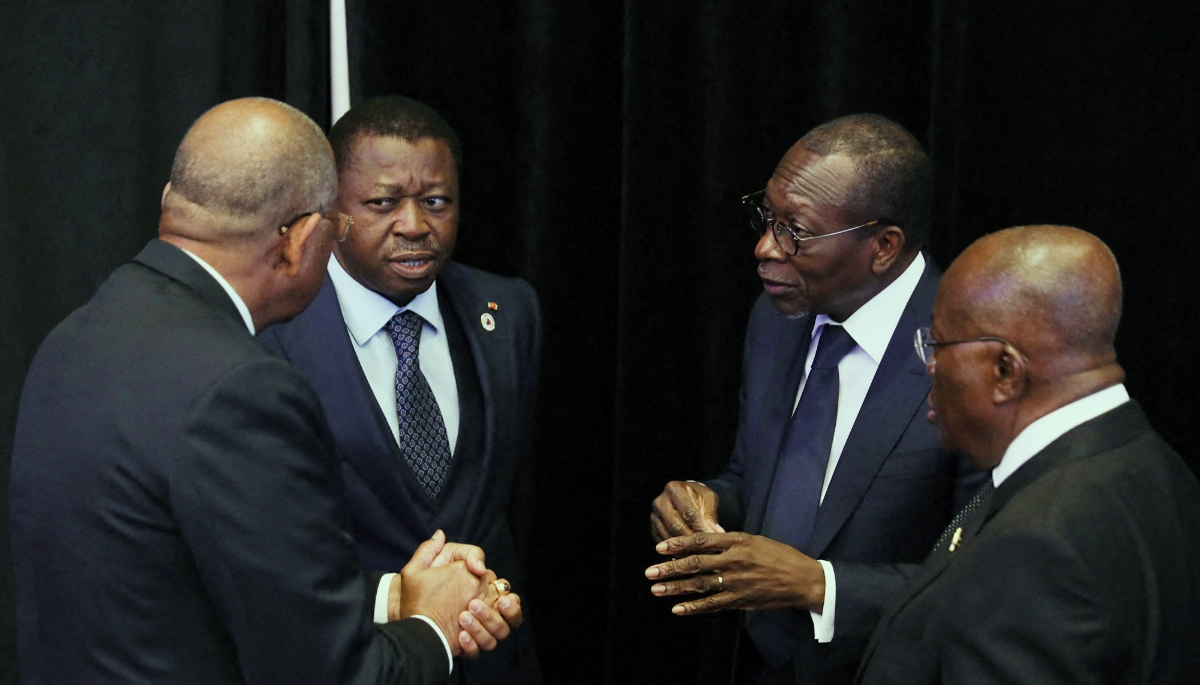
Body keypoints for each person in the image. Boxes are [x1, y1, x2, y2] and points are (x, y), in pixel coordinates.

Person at [9, 97, 522, 685]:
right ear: (299, 240)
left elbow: (197, 573)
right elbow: (332, 674)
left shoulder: (77, 335)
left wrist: (392, 596)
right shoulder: (241, 388)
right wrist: (433, 624)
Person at [647, 114, 982, 684]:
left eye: (794, 231)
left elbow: (982, 581)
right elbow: (758, 477)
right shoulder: (776, 319)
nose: (764, 248)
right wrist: (708, 503)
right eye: (766, 218)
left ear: (883, 246)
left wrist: (819, 585)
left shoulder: (967, 353)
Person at [258, 95, 541, 684]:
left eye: (436, 202)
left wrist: (491, 597)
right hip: (353, 661)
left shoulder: (508, 311)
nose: (414, 226)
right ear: (330, 209)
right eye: (383, 203)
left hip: (492, 660)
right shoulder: (272, 334)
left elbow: (503, 510)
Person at [856, 225, 1200, 684]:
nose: (929, 368)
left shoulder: (1034, 550)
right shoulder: (1155, 464)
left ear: (1005, 371)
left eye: (938, 346)